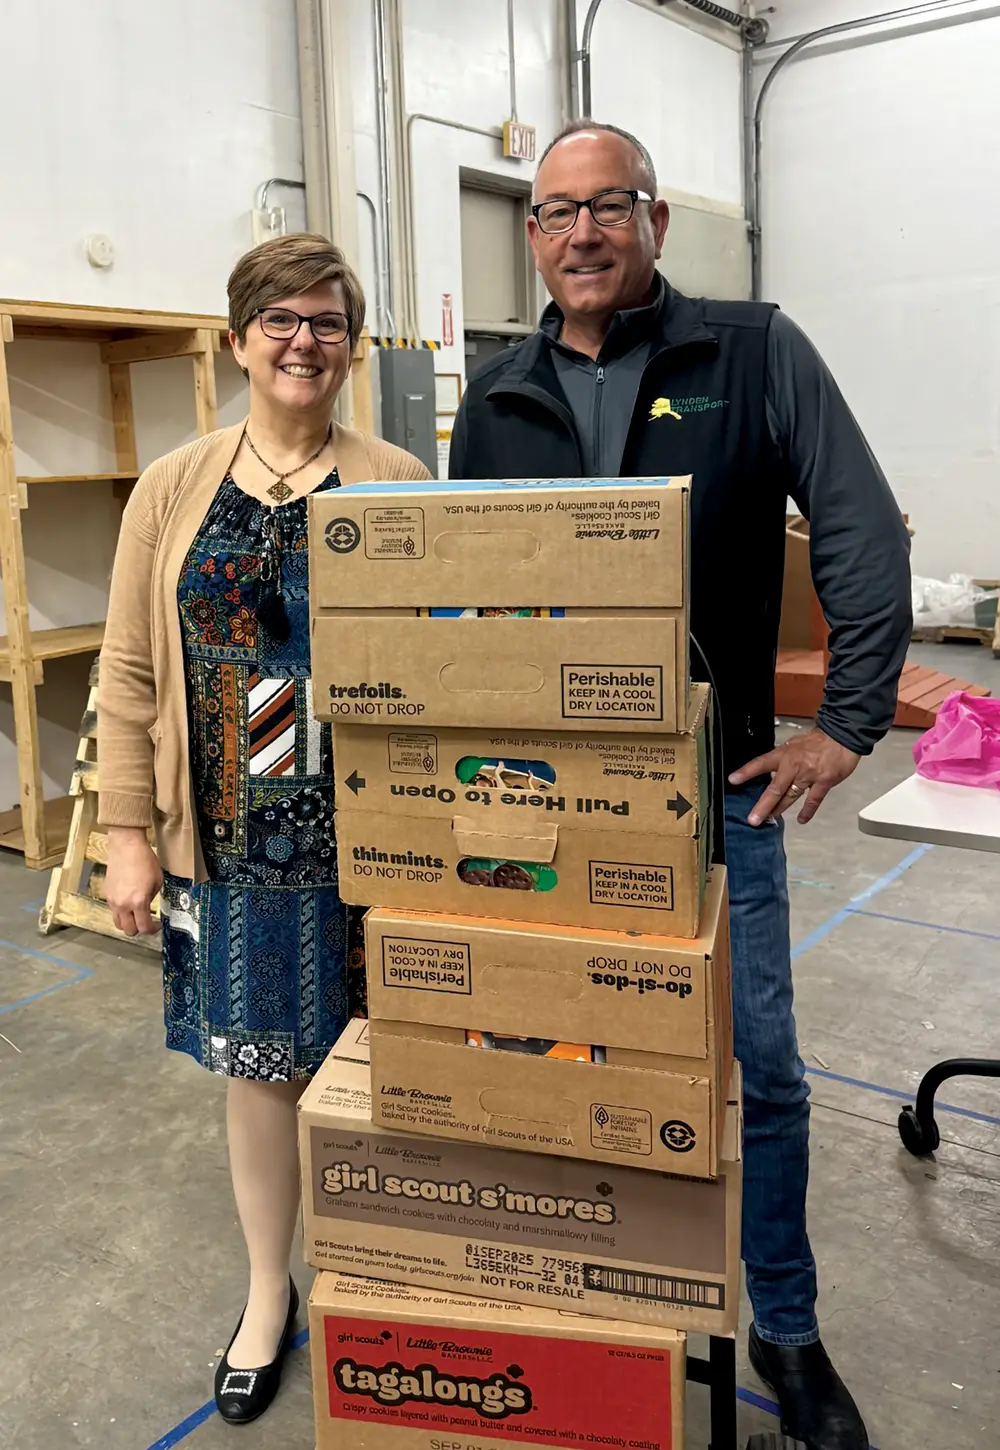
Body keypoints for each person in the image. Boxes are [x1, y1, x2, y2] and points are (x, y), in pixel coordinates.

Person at [450, 122, 912, 1450]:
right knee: (534, 1044)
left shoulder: (752, 350)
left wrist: (850, 721)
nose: (582, 233)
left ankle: (786, 1317)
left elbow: (861, 525)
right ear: (530, 237)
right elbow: (461, 600)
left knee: (757, 1067)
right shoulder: (495, 391)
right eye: (556, 213)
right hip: (533, 793)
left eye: (609, 206)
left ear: (656, 220)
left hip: (718, 792)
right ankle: (583, 1283)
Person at [99, 233, 431, 1426]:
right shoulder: (175, 487)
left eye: (329, 322)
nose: (305, 342)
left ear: (353, 343)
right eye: (281, 320)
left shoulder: (397, 478)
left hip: (373, 842)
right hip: (235, 841)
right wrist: (126, 832)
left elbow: (441, 657)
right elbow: (131, 671)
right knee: (258, 1074)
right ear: (239, 338)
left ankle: (375, 1278)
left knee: (384, 1071)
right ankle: (264, 1292)